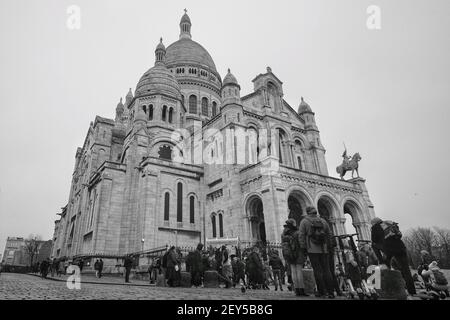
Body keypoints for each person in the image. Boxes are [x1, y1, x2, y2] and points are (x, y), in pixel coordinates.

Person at [370, 217, 416, 296]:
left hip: (388, 249)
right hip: (400, 247)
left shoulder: (375, 227)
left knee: (373, 245)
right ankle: (412, 291)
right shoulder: (390, 223)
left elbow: (374, 240)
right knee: (406, 270)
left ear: (374, 223)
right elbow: (399, 235)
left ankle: (382, 263)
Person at [299, 207, 335, 298]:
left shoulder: (304, 221)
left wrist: (303, 247)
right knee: (327, 270)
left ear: (307, 212)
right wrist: (329, 245)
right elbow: (329, 233)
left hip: (312, 249)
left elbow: (301, 235)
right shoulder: (323, 221)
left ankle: (322, 292)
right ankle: (331, 292)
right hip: (324, 249)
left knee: (317, 271)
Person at [281, 218, 308, 296]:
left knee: (293, 271)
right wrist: (304, 251)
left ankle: (296, 289)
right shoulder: (297, 232)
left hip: (289, 254)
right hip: (298, 253)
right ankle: (301, 289)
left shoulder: (283, 234)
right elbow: (301, 243)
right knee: (299, 271)